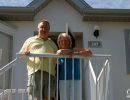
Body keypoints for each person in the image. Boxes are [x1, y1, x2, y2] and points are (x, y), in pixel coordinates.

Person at [20, 20, 58, 100]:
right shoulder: (30, 40)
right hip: (35, 73)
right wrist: (25, 54)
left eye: (46, 28)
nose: (44, 29)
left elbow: (57, 59)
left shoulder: (52, 43)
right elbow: (20, 56)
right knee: (35, 98)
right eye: (42, 27)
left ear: (49, 30)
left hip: (50, 74)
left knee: (49, 98)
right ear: (38, 28)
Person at [56, 33, 92, 100]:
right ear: (59, 42)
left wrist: (76, 53)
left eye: (66, 40)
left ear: (70, 42)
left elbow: (89, 52)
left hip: (76, 79)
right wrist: (72, 52)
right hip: (63, 79)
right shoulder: (59, 51)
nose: (64, 42)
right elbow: (59, 53)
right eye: (62, 40)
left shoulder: (76, 50)